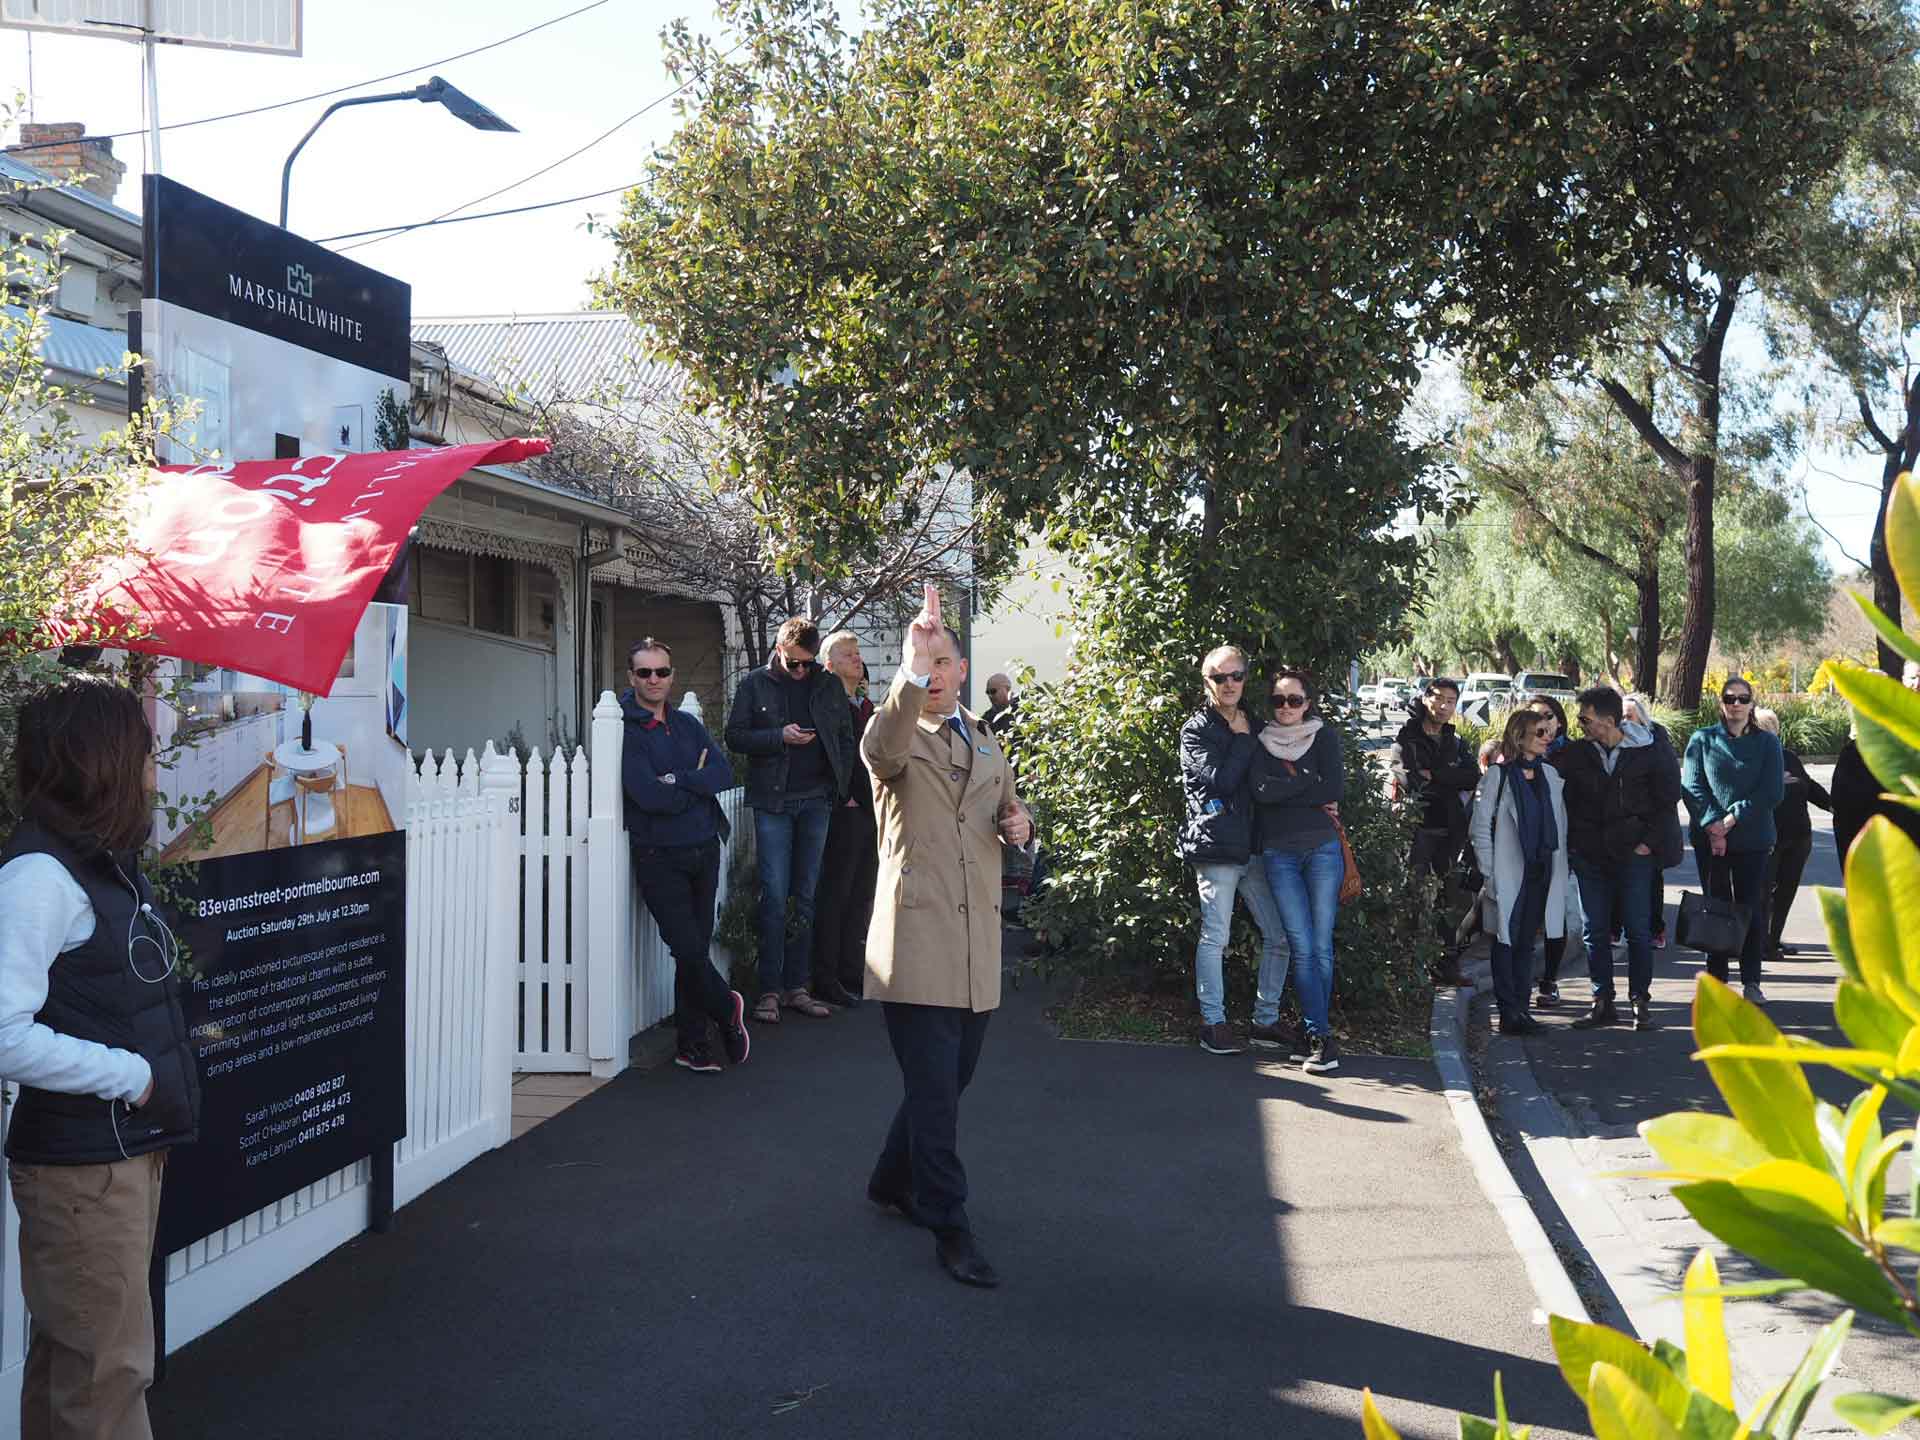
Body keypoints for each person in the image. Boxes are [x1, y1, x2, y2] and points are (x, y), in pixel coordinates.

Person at [0, 676, 202, 1440]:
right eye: (147, 752)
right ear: (103, 761)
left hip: (109, 1155)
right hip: (84, 1169)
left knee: (75, 1367)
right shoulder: (39, 878)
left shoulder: (94, 863)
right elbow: (3, 1032)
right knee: (107, 1377)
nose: (157, 769)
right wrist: (136, 1077)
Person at [863, 585, 1030, 1288]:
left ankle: (889, 1179)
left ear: (963, 669)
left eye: (941, 663)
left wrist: (1021, 825)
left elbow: (1008, 809)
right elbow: (880, 745)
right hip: (916, 940)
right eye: (921, 665)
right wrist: (907, 664)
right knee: (934, 1091)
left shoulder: (987, 739)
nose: (933, 675)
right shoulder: (896, 735)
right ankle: (949, 1223)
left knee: (950, 1080)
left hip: (976, 945)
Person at [622, 639, 751, 1074]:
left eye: (661, 672)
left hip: (703, 847)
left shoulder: (686, 724)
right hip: (659, 853)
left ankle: (692, 1045)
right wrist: (690, 786)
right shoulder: (625, 730)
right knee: (688, 946)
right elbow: (648, 795)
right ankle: (725, 1008)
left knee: (689, 952)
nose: (654, 680)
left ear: (672, 675)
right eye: (645, 673)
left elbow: (721, 771)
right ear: (631, 677)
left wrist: (677, 779)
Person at [726, 616, 859, 1024]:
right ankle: (769, 990)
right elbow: (734, 736)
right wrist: (777, 737)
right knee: (774, 894)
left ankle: (797, 987)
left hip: (817, 799)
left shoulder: (826, 683)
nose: (802, 670)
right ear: (779, 650)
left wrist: (844, 787)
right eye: (794, 663)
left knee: (806, 894)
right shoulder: (755, 684)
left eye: (808, 663)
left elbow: (844, 737)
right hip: (773, 802)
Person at [1178, 645, 1297, 1057]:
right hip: (1217, 846)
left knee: (1279, 936)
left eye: (1236, 676)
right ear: (1206, 681)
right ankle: (1213, 1022)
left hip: (1255, 846)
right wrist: (1246, 740)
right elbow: (1222, 781)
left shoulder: (1258, 723)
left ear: (1246, 678)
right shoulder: (1196, 730)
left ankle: (1265, 1020)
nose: (1229, 684)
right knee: (1216, 936)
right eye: (1219, 677)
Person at [1557, 686, 1682, 1031]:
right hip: (1590, 855)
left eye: (1586, 719)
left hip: (1634, 854)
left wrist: (1647, 844)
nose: (1580, 725)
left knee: (1638, 931)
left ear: (1609, 721)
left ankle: (1640, 1002)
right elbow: (1556, 782)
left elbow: (1668, 800)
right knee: (1594, 931)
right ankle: (1602, 1001)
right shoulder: (1579, 752)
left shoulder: (1651, 750)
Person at [1255, 668, 1345, 1074]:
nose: (1286, 707)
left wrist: (1287, 790)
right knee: (1302, 946)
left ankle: (1318, 1037)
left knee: (1320, 946)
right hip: (1279, 854)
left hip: (1323, 849)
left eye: (1294, 699)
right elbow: (1260, 793)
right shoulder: (1259, 742)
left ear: (1308, 702)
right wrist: (1307, 782)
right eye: (1279, 700)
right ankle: (1320, 1037)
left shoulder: (1323, 736)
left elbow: (1333, 789)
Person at [1681, 678, 1785, 1002]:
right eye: (1730, 698)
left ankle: (1752, 980)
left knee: (1749, 908)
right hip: (1710, 840)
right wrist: (1714, 824)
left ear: (1752, 704)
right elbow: (1692, 786)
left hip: (1753, 839)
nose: (1736, 704)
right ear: (1721, 703)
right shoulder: (1702, 740)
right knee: (1715, 907)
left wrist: (1732, 818)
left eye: (1743, 699)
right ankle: (1716, 981)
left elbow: (1772, 792)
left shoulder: (1767, 743)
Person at [1470, 708, 1568, 1036]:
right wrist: (1489, 872)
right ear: (1519, 736)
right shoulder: (1498, 777)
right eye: (1539, 732)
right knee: (1505, 940)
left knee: (1526, 942)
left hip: (1542, 868)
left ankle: (1522, 1010)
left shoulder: (1550, 776)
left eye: (1548, 731)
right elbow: (1480, 828)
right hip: (1509, 871)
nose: (1547, 737)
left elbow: (1560, 827)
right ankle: (1508, 1012)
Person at [1390, 678, 1478, 985]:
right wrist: (1445, 779)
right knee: (1412, 898)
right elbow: (1412, 781)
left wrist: (1437, 775)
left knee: (1451, 899)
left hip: (1451, 828)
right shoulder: (1407, 738)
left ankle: (1446, 965)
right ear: (1426, 698)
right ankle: (1408, 968)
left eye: (1451, 701)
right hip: (1418, 828)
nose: (1443, 706)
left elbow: (1472, 777)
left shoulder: (1455, 740)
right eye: (1438, 698)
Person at [811, 631, 878, 1008]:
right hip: (845, 809)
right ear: (829, 664)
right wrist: (846, 796)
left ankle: (852, 968)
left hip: (870, 808)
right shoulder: (828, 701)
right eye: (847, 654)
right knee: (836, 893)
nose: (856, 658)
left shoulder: (862, 703)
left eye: (857, 652)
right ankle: (827, 975)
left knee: (861, 893)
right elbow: (833, 751)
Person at [1752, 707, 1832, 964]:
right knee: (1763, 893)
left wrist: (1833, 805)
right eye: (1764, 730)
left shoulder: (1789, 757)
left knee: (1786, 892)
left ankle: (1773, 939)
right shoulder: (1750, 760)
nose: (1770, 735)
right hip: (1768, 837)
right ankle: (1759, 943)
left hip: (1799, 837)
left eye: (1773, 729)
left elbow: (1808, 785)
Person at [1525, 693, 1584, 1008]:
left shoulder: (1575, 754)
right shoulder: (1517, 754)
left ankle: (1549, 980)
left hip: (1562, 846)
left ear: (1559, 720)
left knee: (1554, 916)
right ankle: (1520, 980)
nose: (1542, 723)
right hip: (1523, 847)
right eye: (1534, 717)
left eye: (1548, 716)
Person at [1621, 693, 1679, 950]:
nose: (1625, 721)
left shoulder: (1657, 745)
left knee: (1651, 882)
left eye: (1629, 716)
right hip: (1621, 831)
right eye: (1621, 717)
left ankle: (1655, 929)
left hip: (1651, 832)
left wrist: (1650, 838)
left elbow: (1668, 796)